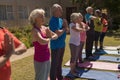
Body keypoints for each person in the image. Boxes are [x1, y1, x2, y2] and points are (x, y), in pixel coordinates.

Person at [29, 9, 58, 80]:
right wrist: (50, 37)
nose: (43, 18)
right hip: (39, 59)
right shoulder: (34, 30)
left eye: (43, 16)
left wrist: (50, 36)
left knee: (45, 77)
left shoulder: (44, 28)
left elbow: (56, 35)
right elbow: (42, 41)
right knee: (40, 78)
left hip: (47, 57)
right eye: (41, 16)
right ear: (35, 19)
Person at [49, 4, 68, 80]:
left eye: (61, 9)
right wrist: (64, 27)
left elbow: (67, 30)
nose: (61, 11)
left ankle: (59, 77)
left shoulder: (60, 20)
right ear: (55, 11)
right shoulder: (53, 20)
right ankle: (53, 78)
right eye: (59, 9)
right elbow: (58, 33)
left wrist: (65, 26)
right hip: (56, 46)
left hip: (62, 44)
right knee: (54, 64)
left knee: (59, 62)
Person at [69, 13, 85, 77]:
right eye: (77, 18)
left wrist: (80, 23)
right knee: (73, 57)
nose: (79, 19)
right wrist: (81, 29)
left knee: (75, 57)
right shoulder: (71, 24)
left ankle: (74, 69)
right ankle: (72, 71)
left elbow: (82, 29)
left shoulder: (77, 24)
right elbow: (78, 30)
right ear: (74, 18)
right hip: (73, 43)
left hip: (77, 42)